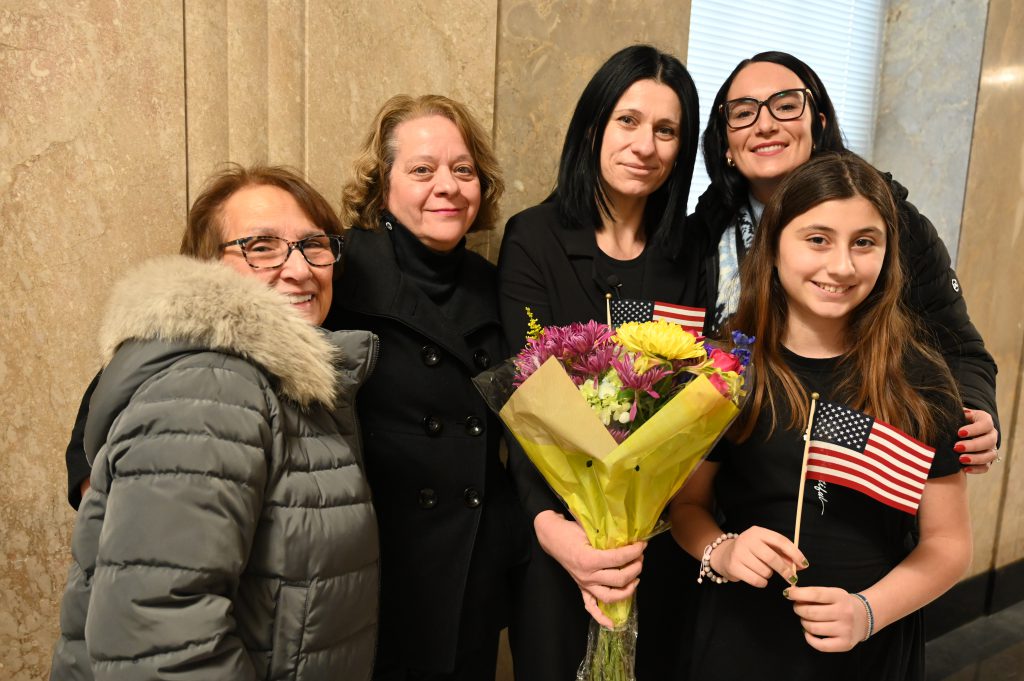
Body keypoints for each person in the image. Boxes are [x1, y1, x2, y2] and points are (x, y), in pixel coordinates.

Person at [50, 165, 379, 681]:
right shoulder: (210, 388)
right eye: (261, 246)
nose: (298, 269)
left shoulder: (277, 387)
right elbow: (163, 638)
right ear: (208, 267)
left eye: (314, 244)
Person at [671, 152, 972, 680]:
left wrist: (868, 612)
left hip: (871, 643)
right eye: (817, 239)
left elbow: (948, 544)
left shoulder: (920, 377)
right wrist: (722, 550)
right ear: (774, 245)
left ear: (888, 253)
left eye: (864, 242)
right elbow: (687, 506)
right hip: (742, 640)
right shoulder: (727, 365)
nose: (841, 266)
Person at [497, 44, 702, 680]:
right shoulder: (533, 238)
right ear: (593, 128)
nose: (647, 144)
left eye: (667, 130)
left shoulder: (691, 252)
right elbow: (524, 406)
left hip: (654, 545)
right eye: (629, 120)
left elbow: (694, 400)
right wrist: (551, 529)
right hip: (560, 539)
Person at [690, 51, 999, 471]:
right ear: (725, 142)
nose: (765, 124)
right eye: (744, 113)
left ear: (818, 125)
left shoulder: (893, 222)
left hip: (856, 484)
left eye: (785, 106)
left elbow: (960, 348)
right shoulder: (699, 240)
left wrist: (975, 410)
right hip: (727, 479)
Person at [324, 94, 528, 680]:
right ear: (380, 185)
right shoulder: (334, 266)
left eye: (463, 170)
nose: (448, 186)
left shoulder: (499, 286)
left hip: (471, 579)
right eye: (422, 169)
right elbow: (213, 336)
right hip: (374, 574)